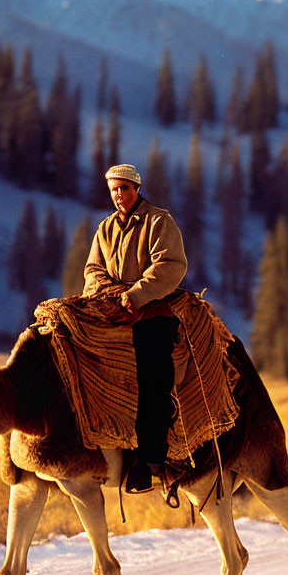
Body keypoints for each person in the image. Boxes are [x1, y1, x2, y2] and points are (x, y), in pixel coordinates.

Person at [83, 164, 188, 494]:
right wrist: (107, 295)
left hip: (153, 309)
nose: (118, 195)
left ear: (136, 189)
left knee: (152, 380)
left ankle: (149, 462)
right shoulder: (105, 228)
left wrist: (136, 295)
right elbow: (93, 269)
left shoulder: (159, 221)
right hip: (114, 307)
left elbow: (170, 266)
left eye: (123, 189)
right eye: (113, 189)